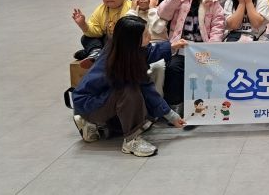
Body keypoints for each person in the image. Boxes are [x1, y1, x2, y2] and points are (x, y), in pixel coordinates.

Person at [72, 16, 186, 157]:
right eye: (146, 35)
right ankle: (131, 140)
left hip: (99, 99)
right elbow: (146, 87)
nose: (150, 37)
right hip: (88, 105)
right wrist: (171, 115)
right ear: (133, 41)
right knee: (130, 92)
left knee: (139, 108)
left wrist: (171, 46)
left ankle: (95, 124)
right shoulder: (118, 64)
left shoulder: (124, 49)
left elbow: (148, 52)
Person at [158, 0, 225, 112]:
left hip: (204, 50)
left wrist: (211, 48)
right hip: (180, 48)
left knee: (213, 71)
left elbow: (218, 27)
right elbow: (163, 14)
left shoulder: (213, 2)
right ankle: (175, 106)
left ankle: (204, 107)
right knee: (173, 68)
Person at [72, 0, 132, 68]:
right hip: (108, 41)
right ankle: (96, 52)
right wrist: (83, 25)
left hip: (124, 43)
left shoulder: (131, 7)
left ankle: (92, 52)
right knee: (85, 38)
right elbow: (97, 32)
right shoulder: (101, 9)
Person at [125, 0, 168, 96]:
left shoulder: (161, 11)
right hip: (138, 48)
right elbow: (127, 31)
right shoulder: (132, 12)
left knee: (158, 66)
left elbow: (158, 29)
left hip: (158, 47)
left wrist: (152, 9)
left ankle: (158, 98)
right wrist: (132, 9)